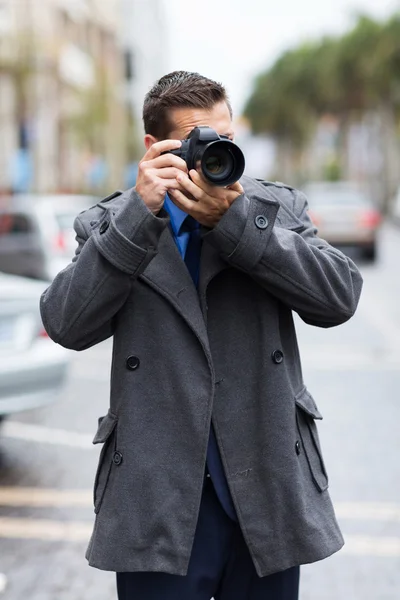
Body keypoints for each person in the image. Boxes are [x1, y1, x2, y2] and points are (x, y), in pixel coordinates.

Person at [40, 71, 363, 600]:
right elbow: (66, 325)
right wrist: (137, 218)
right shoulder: (112, 223)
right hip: (158, 497)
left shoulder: (272, 209)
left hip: (267, 485)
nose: (216, 153)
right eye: (199, 141)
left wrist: (235, 223)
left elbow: (339, 298)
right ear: (155, 146)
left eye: (226, 140)